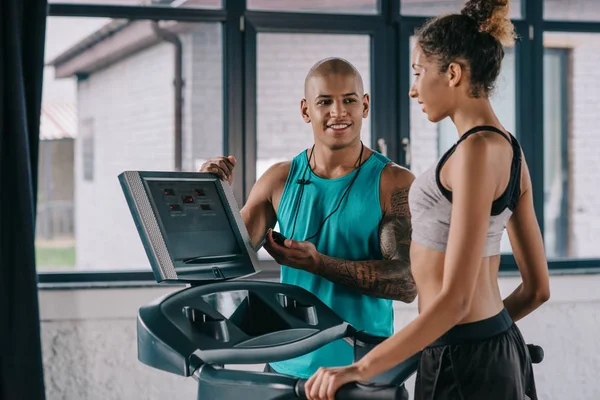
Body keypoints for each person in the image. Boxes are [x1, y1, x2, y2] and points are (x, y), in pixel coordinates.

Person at [304, 1, 551, 399]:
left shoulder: (475, 152)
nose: (413, 88)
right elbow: (537, 289)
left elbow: (455, 301)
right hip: (486, 345)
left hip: (462, 356)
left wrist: (359, 368)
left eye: (419, 72)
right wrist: (489, 335)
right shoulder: (510, 150)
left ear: (453, 73)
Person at [199, 57, 417, 380]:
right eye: (325, 102)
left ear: (365, 106)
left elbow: (407, 282)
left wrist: (320, 264)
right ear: (305, 110)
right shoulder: (279, 179)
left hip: (361, 371)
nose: (338, 112)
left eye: (349, 100)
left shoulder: (393, 183)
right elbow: (221, 263)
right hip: (287, 367)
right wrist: (209, 195)